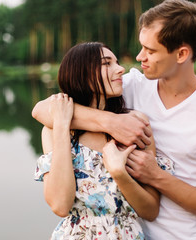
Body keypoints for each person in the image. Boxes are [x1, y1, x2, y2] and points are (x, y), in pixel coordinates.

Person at [32, 0, 196, 239]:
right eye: (142, 46)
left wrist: (156, 176)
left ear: (182, 53)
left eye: (150, 51)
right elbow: (43, 110)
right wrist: (110, 122)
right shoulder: (131, 86)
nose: (140, 57)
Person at [34, 42, 174, 239]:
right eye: (106, 63)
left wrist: (119, 173)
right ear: (81, 73)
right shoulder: (53, 130)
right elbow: (60, 205)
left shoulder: (135, 125)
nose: (120, 69)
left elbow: (150, 211)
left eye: (116, 62)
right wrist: (62, 126)